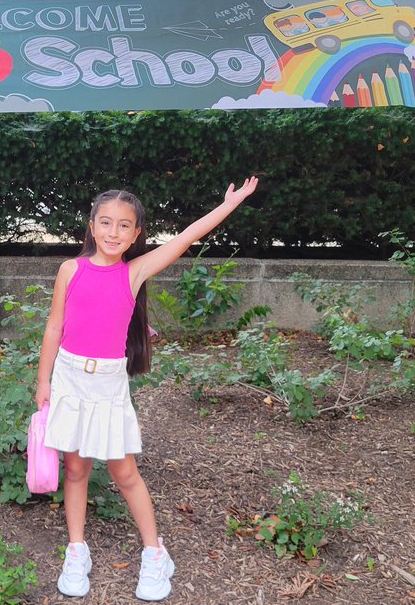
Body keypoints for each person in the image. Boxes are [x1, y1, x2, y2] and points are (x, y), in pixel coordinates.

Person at [33, 178, 259, 601]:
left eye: (124, 226)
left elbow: (189, 235)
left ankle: (155, 554)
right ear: (91, 226)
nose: (113, 232)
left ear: (137, 234)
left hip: (108, 384)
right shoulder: (70, 270)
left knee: (124, 472)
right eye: (105, 223)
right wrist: (43, 381)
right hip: (68, 379)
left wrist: (230, 203)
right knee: (76, 469)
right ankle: (76, 550)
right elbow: (53, 327)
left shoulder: (134, 272)